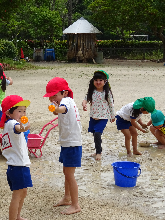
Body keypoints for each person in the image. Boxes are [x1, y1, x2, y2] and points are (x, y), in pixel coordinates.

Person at [43, 77, 82, 215]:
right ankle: (67, 197)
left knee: (70, 174)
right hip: (67, 142)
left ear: (64, 93)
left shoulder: (67, 101)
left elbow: (62, 109)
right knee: (66, 172)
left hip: (72, 143)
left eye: (55, 95)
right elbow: (57, 111)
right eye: (50, 97)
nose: (52, 99)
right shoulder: (62, 102)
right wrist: (55, 107)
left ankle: (75, 204)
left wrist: (56, 107)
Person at [0, 95, 32, 220]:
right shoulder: (12, 123)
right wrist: (25, 126)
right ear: (9, 112)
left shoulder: (9, 124)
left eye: (24, 111)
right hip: (18, 166)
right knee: (18, 195)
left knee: (23, 192)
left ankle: (18, 216)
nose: (23, 113)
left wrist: (23, 127)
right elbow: (19, 128)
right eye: (19, 111)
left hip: (18, 165)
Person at [82, 70, 115, 160]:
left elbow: (111, 104)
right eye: (96, 80)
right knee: (95, 134)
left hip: (103, 117)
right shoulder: (92, 91)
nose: (98, 82)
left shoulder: (107, 93)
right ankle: (97, 150)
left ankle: (99, 153)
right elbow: (86, 98)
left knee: (97, 133)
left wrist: (112, 116)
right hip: (93, 116)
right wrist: (84, 104)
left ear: (105, 81)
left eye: (100, 80)